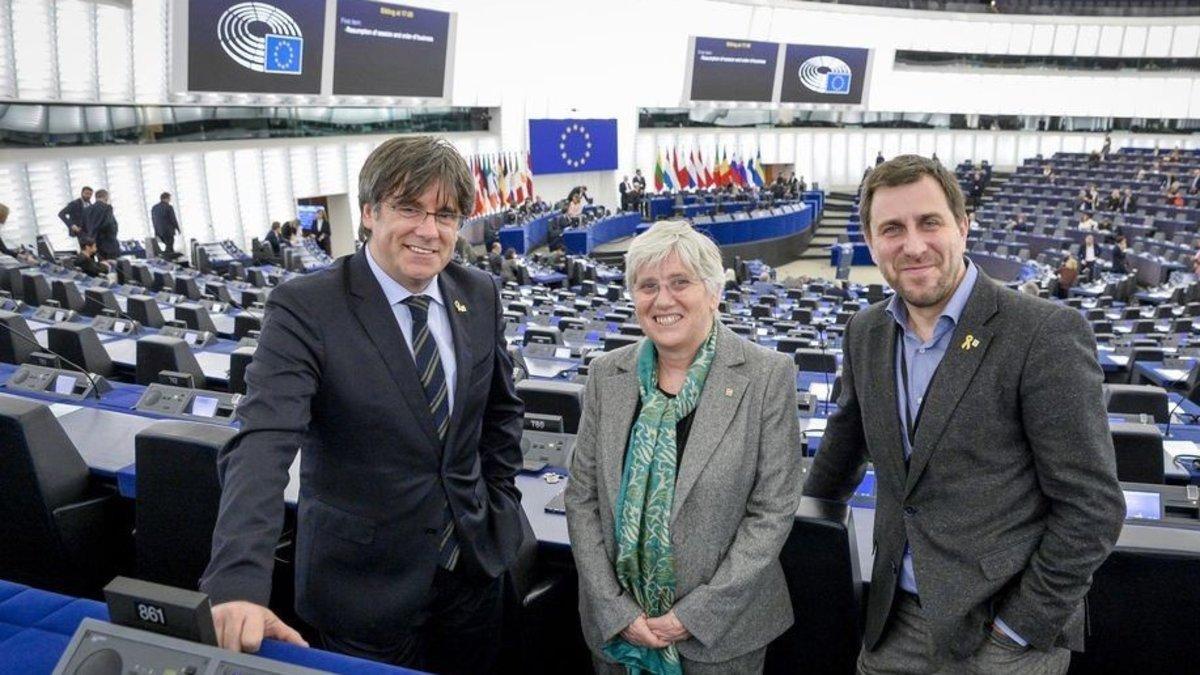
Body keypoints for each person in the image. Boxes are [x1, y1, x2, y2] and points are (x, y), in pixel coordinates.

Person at [199, 136, 529, 674]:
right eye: (408, 208)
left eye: (446, 214)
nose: (429, 230)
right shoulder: (306, 306)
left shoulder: (480, 291)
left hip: (472, 567)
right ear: (370, 212)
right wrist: (236, 582)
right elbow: (263, 441)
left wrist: (500, 501)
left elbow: (501, 413)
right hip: (363, 589)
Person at [803, 155, 1124, 674]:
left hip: (1001, 632)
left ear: (963, 226)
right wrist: (799, 543)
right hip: (892, 625)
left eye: (929, 222)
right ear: (869, 239)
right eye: (891, 229)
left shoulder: (1043, 333)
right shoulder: (865, 332)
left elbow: (1092, 507)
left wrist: (1018, 628)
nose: (913, 245)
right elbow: (837, 461)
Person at [566, 220, 800, 675]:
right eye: (647, 285)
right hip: (617, 636)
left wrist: (691, 616)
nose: (663, 299)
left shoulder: (767, 376)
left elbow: (772, 512)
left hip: (721, 640)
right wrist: (616, 611)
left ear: (713, 292)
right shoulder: (605, 375)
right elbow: (582, 498)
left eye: (680, 283)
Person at [84, 189, 119, 260]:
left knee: (102, 266)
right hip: (109, 243)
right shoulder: (107, 207)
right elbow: (110, 225)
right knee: (112, 267)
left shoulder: (87, 210)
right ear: (106, 197)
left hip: (95, 244)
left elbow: (85, 226)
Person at [151, 192, 181, 256]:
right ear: (166, 198)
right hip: (168, 231)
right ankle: (170, 261)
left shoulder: (154, 208)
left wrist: (156, 231)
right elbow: (173, 219)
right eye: (169, 198)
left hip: (159, 232)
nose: (170, 200)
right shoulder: (169, 207)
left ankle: (168, 260)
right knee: (169, 248)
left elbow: (153, 220)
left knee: (168, 248)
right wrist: (178, 229)